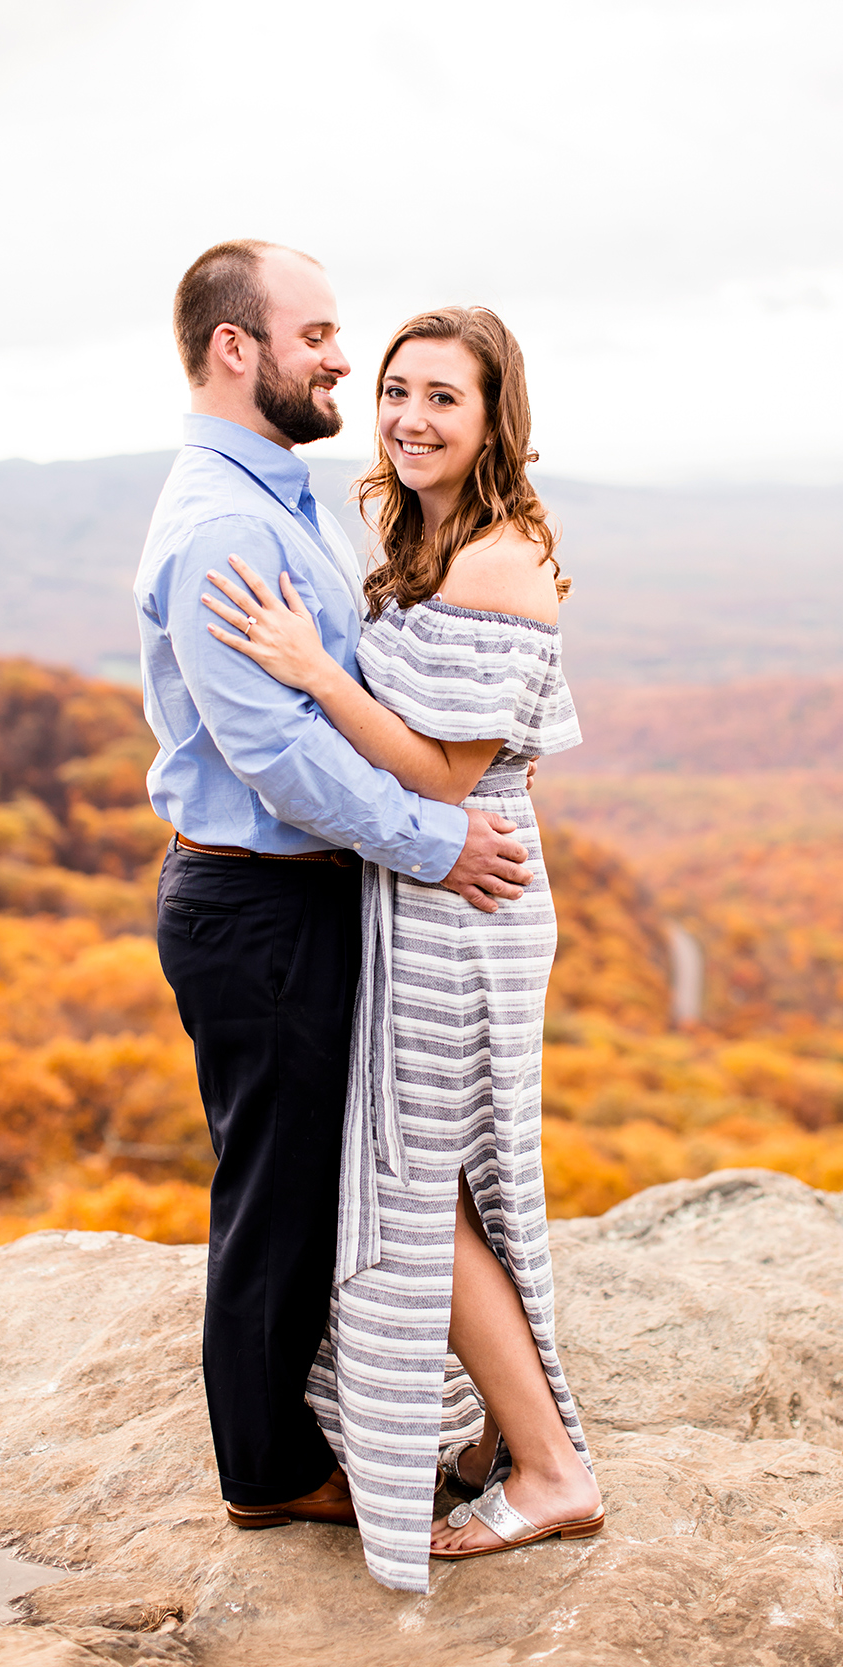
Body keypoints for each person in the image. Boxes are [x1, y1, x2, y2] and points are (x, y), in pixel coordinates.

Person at [201, 305, 604, 1592]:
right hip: (419, 889)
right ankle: (508, 1431)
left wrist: (315, 672)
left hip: (465, 900)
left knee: (422, 1184)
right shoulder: (419, 531)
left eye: (444, 398)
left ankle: (550, 1472)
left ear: (495, 419)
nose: (410, 419)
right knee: (444, 1173)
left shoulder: (498, 556)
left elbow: (445, 768)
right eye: (394, 392)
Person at [134, 243, 536, 1533]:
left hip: (301, 898)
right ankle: (268, 1467)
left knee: (312, 1177)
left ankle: (315, 1431)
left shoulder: (278, 495)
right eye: (316, 333)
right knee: (277, 1191)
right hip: (259, 901)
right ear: (237, 348)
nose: (341, 360)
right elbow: (277, 754)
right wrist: (437, 838)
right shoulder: (228, 527)